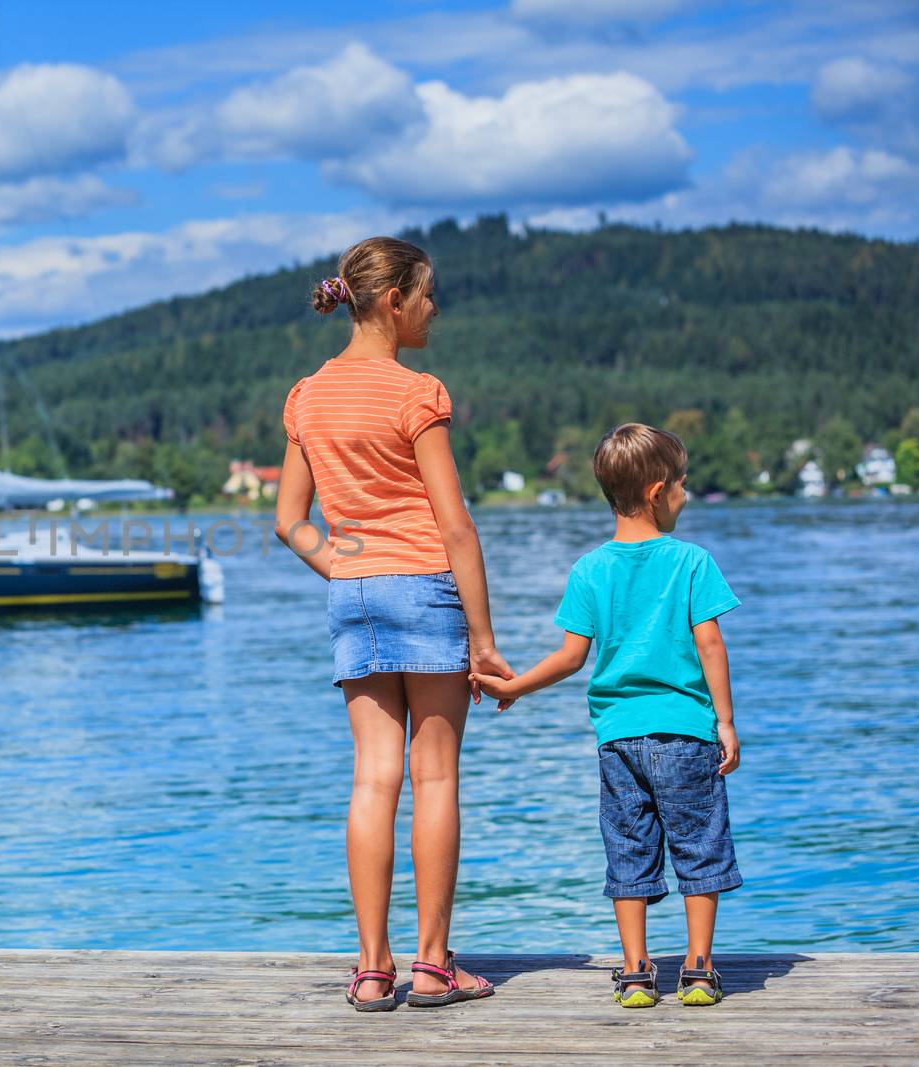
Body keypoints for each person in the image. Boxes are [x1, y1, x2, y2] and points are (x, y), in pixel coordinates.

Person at [274, 236, 515, 1011]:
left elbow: (289, 524)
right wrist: (483, 640)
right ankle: (435, 964)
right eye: (427, 294)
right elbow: (456, 528)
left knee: (372, 777)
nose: (434, 307)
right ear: (391, 301)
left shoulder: (307, 394)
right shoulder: (418, 392)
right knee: (434, 774)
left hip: (356, 596)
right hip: (425, 590)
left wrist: (349, 567)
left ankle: (373, 968)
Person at [471, 423, 743, 1008]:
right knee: (698, 845)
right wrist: (725, 721)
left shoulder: (590, 570)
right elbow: (711, 645)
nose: (686, 496)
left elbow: (572, 658)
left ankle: (637, 971)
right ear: (657, 490)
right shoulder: (692, 562)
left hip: (618, 739)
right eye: (683, 485)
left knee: (629, 847)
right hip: (687, 734)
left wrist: (516, 685)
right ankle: (697, 970)